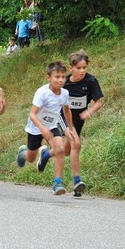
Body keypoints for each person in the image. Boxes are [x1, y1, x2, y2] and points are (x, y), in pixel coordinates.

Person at [16, 61, 78, 195]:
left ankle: (57, 182)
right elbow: (32, 114)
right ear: (48, 78)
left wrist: (70, 128)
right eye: (57, 77)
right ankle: (22, 153)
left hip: (52, 125)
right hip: (36, 127)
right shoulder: (42, 93)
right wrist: (43, 130)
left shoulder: (65, 93)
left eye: (63, 77)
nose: (61, 80)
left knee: (60, 149)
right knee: (31, 158)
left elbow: (67, 111)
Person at [61, 49, 103, 196]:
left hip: (78, 120)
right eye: (78, 68)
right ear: (71, 68)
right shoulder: (64, 82)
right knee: (76, 144)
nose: (82, 71)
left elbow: (99, 102)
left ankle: (46, 154)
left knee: (66, 150)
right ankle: (77, 182)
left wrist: (89, 111)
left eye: (84, 67)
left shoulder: (90, 81)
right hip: (63, 117)